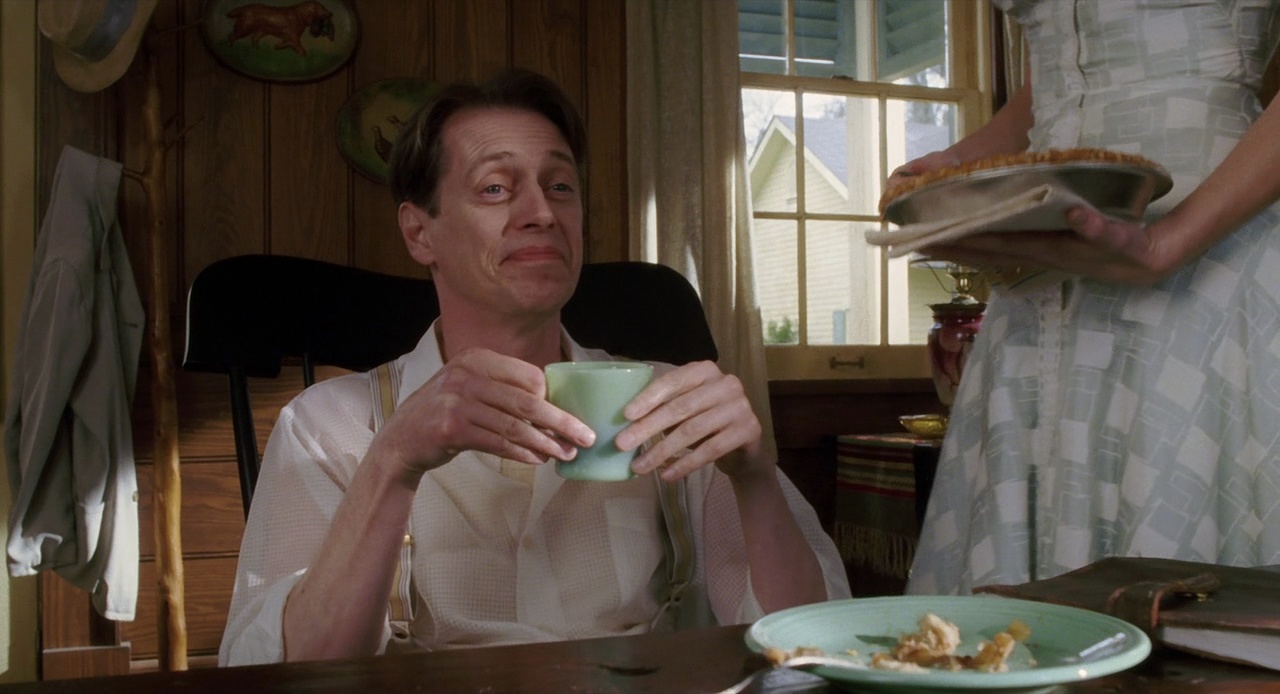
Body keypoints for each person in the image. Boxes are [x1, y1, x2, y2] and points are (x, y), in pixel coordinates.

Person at [218, 68, 850, 665]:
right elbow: (287, 676)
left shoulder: (676, 407)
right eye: (495, 188)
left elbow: (809, 651)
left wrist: (754, 478)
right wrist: (392, 461)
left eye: (560, 186)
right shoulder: (328, 427)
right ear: (419, 233)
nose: (542, 212)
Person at [897, 0, 1280, 596]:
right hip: (1043, 274)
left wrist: (1169, 241)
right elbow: (1059, 72)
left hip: (1213, 256)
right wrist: (955, 164)